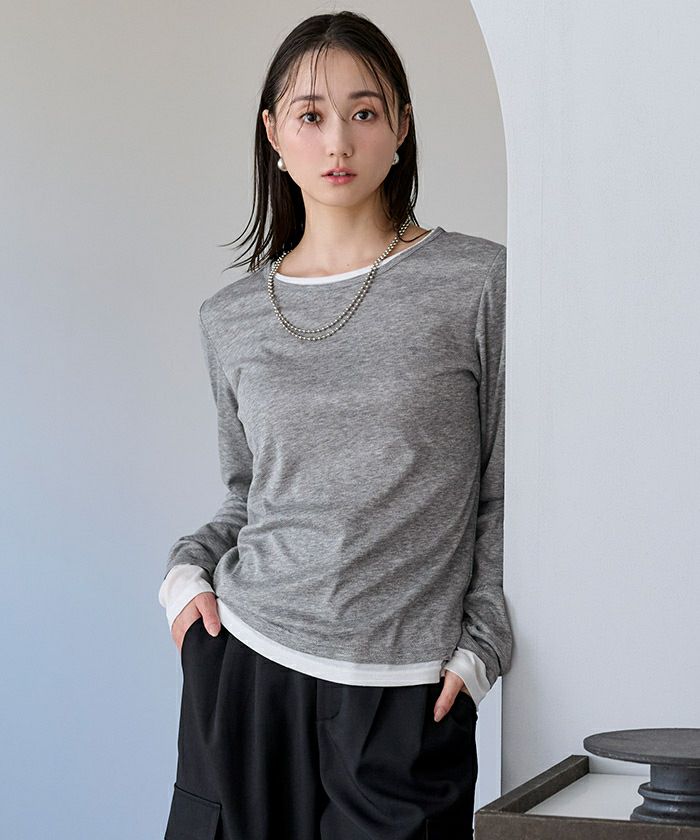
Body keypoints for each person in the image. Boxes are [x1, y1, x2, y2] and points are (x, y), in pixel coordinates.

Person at [159, 10, 513, 840]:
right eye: (311, 115)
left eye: (364, 112)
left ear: (402, 127)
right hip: (246, 669)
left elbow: (509, 489)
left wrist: (480, 648)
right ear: (273, 135)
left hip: (406, 691)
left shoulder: (477, 282)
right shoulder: (230, 317)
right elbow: (248, 495)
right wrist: (183, 577)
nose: (338, 142)